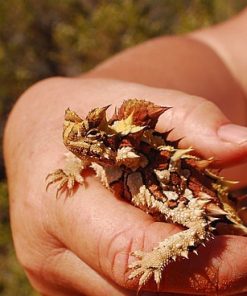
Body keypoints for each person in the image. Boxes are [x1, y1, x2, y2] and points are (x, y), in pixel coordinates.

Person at [4, 7, 247, 296]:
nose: (76, 142)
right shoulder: (108, 161)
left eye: (93, 137)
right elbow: (223, 56)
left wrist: (157, 258)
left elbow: (198, 225)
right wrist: (38, 106)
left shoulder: (153, 173)